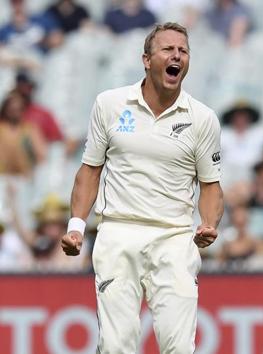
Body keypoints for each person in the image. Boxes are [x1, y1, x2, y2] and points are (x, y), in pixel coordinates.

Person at [59, 22, 223, 353]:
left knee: (178, 348)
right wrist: (76, 227)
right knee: (117, 346)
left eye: (183, 51)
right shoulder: (110, 104)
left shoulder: (202, 119)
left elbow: (211, 186)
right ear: (146, 60)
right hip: (118, 233)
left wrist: (208, 224)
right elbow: (90, 171)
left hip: (174, 238)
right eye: (168, 49)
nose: (176, 55)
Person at [0, 90, 47, 176]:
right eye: (12, 109)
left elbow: (41, 155)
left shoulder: (30, 129)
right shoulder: (2, 128)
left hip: (24, 178)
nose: (15, 112)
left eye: (18, 109)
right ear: (6, 109)